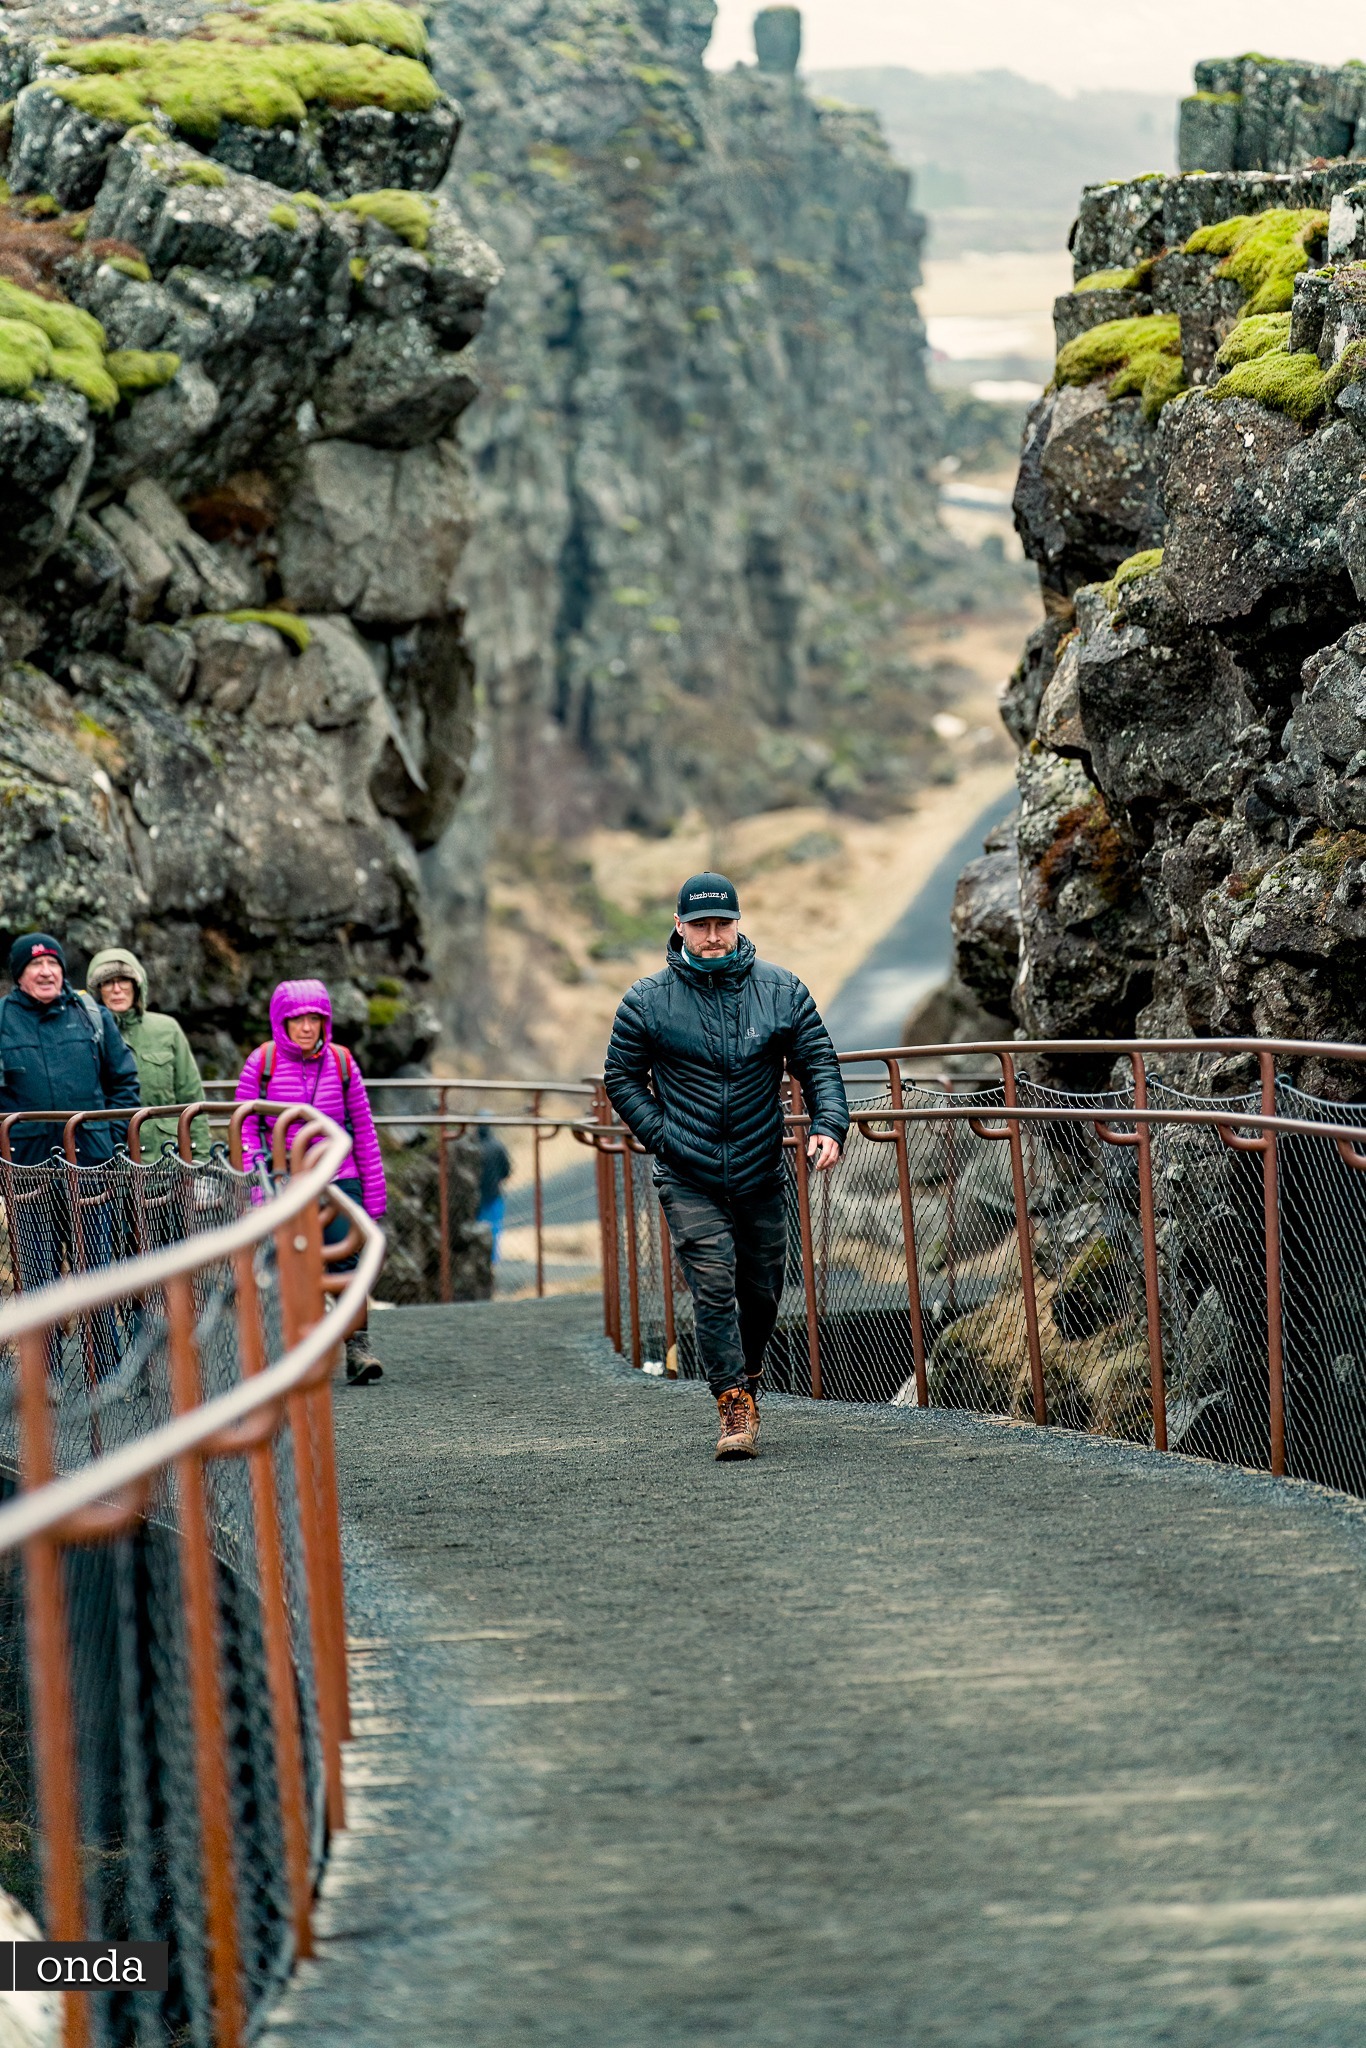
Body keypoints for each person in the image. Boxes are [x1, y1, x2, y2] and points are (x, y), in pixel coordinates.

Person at [604, 873, 848, 1460]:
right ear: (679, 925)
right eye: (700, 925)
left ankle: (750, 1372)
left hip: (762, 1166)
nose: (712, 937)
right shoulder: (646, 1000)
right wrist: (664, 1136)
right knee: (713, 1285)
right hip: (687, 1172)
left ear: (738, 924)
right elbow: (621, 1078)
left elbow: (819, 1065)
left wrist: (828, 1126)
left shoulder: (783, 991)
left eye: (723, 924)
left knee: (762, 1291)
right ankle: (732, 1402)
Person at [235, 979, 388, 1386]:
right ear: (281, 1022)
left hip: (340, 1178)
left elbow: (364, 1132)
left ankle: (358, 1348)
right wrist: (258, 1185)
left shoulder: (341, 1062)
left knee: (348, 1261)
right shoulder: (261, 1062)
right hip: (284, 1181)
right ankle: (296, 1352)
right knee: (289, 1264)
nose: (306, 1027)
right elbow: (245, 1129)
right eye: (297, 1019)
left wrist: (373, 1198)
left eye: (315, 1019)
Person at [0, 932, 141, 1369]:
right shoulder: (1, 1019)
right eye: (34, 965)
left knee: (97, 1272)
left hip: (92, 1168)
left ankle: (107, 1372)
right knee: (38, 1278)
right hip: (29, 1174)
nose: (46, 972)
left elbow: (124, 1083)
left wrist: (110, 1138)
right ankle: (48, 1378)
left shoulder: (92, 1015)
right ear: (19, 975)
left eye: (53, 964)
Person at [87, 946, 207, 1160]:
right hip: (110, 1164)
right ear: (97, 990)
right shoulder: (85, 1033)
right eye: (107, 982)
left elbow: (192, 1097)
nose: (117, 989)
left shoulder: (166, 1029)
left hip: (167, 1160)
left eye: (124, 980)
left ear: (137, 985)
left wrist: (200, 1162)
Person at [476, 1117, 513, 1263]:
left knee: (477, 1226)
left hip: (476, 1195)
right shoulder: (498, 1147)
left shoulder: (473, 1147)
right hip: (495, 1194)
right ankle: (492, 1259)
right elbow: (506, 1171)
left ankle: (479, 1258)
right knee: (494, 1228)